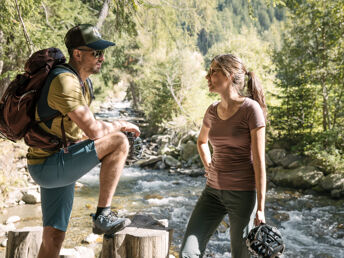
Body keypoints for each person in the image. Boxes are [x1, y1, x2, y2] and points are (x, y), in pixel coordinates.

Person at [26, 24, 140, 258]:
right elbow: (95, 130)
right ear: (77, 54)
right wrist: (120, 124)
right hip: (50, 165)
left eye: (102, 52)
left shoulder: (81, 82)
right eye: (96, 52)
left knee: (54, 238)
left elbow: (83, 132)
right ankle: (102, 216)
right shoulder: (65, 82)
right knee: (119, 141)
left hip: (57, 160)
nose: (102, 57)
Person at [180, 54, 267, 258]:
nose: (207, 76)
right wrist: (208, 165)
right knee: (188, 252)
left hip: (243, 195)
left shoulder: (251, 110)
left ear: (228, 75)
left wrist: (261, 208)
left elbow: (259, 161)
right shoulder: (211, 110)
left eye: (213, 71)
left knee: (241, 255)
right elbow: (201, 141)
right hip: (212, 193)